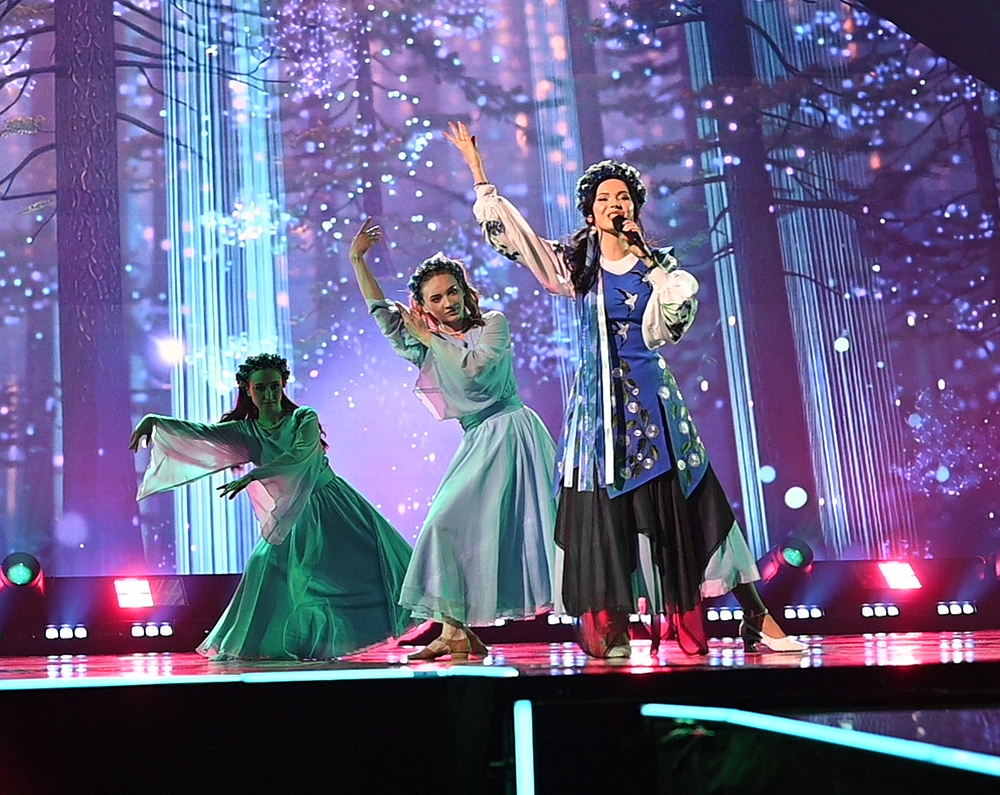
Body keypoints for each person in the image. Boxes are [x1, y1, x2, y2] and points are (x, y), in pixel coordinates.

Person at [444, 120, 806, 658]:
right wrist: (479, 173)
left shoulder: (659, 268)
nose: (616, 205)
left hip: (654, 411)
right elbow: (517, 243)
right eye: (604, 199)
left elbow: (672, 325)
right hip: (597, 420)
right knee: (605, 523)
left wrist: (652, 264)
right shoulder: (577, 265)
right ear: (589, 213)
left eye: (623, 198)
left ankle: (757, 616)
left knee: (695, 511)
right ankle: (611, 626)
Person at [348, 219, 559, 661]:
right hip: (478, 438)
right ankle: (454, 632)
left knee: (488, 529)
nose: (448, 303)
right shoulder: (430, 342)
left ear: (464, 291)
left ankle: (456, 633)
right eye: (436, 298)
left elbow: (475, 371)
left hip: (511, 433)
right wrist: (358, 261)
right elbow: (384, 317)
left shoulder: (492, 325)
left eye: (452, 292)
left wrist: (429, 336)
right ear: (423, 304)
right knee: (447, 527)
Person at [129, 353, 413, 661]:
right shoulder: (248, 431)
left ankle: (345, 634)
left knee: (358, 570)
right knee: (266, 566)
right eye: (261, 388)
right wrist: (155, 421)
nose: (268, 395)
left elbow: (300, 456)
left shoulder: (302, 418)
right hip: (291, 511)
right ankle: (269, 644)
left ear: (283, 385)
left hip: (330, 504)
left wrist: (255, 474)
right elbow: (202, 433)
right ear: (248, 390)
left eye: (274, 386)